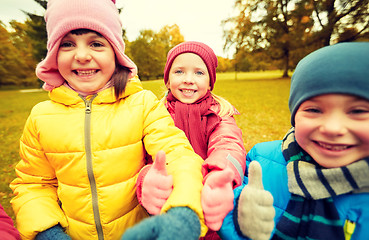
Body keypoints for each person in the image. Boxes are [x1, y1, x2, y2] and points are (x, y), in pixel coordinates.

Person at [9, 0, 207, 239]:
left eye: (96, 43)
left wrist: (183, 211)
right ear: (53, 54)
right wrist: (48, 232)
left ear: (116, 52)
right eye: (67, 44)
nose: (82, 55)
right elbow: (33, 185)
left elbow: (179, 155)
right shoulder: (40, 117)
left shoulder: (142, 104)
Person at [219, 42, 369, 240]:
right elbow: (233, 214)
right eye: (314, 110)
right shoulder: (261, 161)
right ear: (295, 115)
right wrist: (239, 221)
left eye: (357, 111)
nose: (333, 128)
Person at [134, 41, 247, 240]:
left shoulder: (220, 114)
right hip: (168, 211)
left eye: (199, 73)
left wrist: (219, 176)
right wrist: (146, 178)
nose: (188, 79)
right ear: (167, 80)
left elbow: (228, 144)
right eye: (179, 72)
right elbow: (142, 160)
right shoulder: (154, 115)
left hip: (210, 210)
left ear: (211, 82)